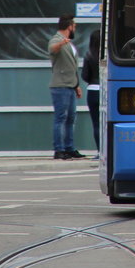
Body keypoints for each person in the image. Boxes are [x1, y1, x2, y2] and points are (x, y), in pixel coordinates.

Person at [49, 15, 84, 160]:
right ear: (69, 26)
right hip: (60, 86)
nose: (75, 28)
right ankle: (59, 149)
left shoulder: (70, 44)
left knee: (70, 119)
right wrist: (61, 43)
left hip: (70, 85)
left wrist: (77, 85)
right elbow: (52, 49)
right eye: (74, 26)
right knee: (61, 118)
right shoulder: (57, 40)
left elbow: (72, 66)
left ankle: (69, 148)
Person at [81, 33, 101, 158]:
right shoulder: (108, 56)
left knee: (96, 123)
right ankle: (109, 150)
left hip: (93, 90)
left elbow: (84, 76)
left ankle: (99, 151)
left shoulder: (89, 55)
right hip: (106, 91)